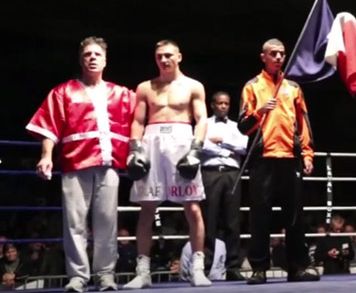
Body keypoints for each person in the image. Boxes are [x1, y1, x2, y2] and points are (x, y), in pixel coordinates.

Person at [26, 36, 136, 292]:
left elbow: (140, 121)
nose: (92, 57)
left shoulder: (121, 94)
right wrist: (46, 156)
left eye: (97, 54)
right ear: (81, 59)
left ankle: (106, 275)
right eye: (88, 54)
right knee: (74, 223)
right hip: (75, 164)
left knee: (107, 222)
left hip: (109, 164)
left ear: (105, 60)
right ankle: (78, 277)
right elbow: (49, 128)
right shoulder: (63, 91)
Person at [124, 40, 211, 288]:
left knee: (193, 208)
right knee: (147, 207)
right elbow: (138, 122)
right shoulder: (145, 88)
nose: (164, 60)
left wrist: (196, 149)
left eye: (168, 55)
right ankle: (143, 272)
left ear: (179, 57)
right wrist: (134, 149)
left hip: (182, 140)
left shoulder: (194, 86)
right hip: (151, 142)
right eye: (159, 56)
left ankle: (197, 268)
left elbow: (202, 118)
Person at [238, 38, 319, 284]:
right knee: (259, 216)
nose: (278, 57)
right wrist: (259, 112)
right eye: (273, 54)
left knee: (294, 216)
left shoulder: (293, 87)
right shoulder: (252, 86)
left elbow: (304, 123)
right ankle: (259, 268)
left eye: (282, 54)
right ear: (263, 56)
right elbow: (243, 126)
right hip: (262, 159)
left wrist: (307, 153)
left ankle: (298, 267)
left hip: (290, 158)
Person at [199, 90, 248, 280]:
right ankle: (204, 267)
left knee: (232, 221)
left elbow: (243, 147)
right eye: (220, 103)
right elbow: (201, 145)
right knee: (208, 220)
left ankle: (233, 267)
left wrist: (221, 142)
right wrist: (229, 148)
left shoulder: (237, 126)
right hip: (210, 173)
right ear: (212, 105)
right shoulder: (204, 125)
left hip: (232, 174)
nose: (223, 107)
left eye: (226, 104)